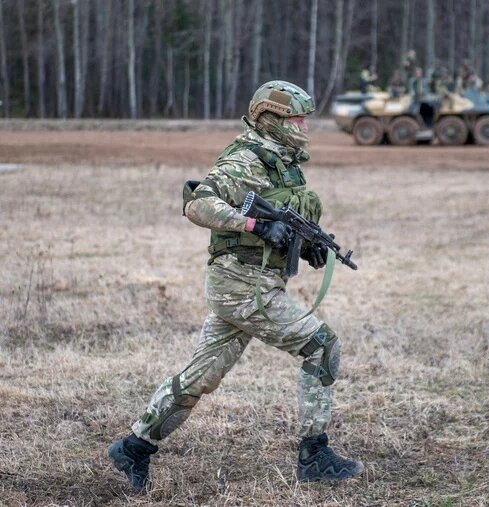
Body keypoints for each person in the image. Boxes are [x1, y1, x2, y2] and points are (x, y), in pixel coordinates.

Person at [107, 80, 364, 491]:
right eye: (297, 118)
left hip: (249, 284)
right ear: (272, 119)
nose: (304, 126)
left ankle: (133, 448)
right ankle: (314, 454)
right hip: (242, 287)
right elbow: (197, 203)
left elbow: (284, 221)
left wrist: (306, 247)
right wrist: (255, 224)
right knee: (321, 345)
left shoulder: (282, 162)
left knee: (200, 377)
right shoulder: (244, 160)